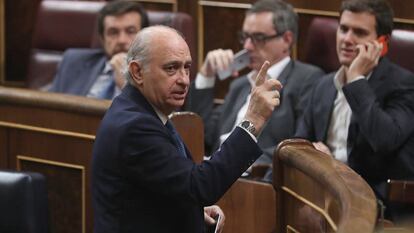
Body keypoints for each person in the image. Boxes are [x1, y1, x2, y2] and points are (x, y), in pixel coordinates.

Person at [91, 25, 282, 233]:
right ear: (137, 72)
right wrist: (252, 120)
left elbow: (159, 187)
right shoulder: (135, 126)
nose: (183, 80)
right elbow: (200, 187)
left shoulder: (142, 109)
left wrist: (189, 211)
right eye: (171, 68)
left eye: (187, 67)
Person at [295, 0, 414, 221]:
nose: (347, 39)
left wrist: (357, 80)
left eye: (359, 32)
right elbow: (299, 143)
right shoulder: (322, 85)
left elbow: (384, 139)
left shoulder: (405, 85)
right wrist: (313, 155)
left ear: (382, 42)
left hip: (376, 206)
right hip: (322, 196)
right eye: (343, 29)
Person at [187, 0, 324, 180]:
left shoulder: (307, 79)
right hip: (211, 177)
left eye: (258, 38)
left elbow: (297, 147)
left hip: (255, 183)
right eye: (245, 37)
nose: (247, 46)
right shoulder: (240, 85)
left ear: (287, 39)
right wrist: (206, 75)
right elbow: (203, 137)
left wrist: (234, 162)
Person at [50, 1, 149, 99]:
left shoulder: (156, 73)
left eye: (130, 31)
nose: (121, 40)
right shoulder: (73, 62)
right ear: (102, 38)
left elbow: (153, 113)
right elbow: (49, 105)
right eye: (113, 32)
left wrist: (127, 85)